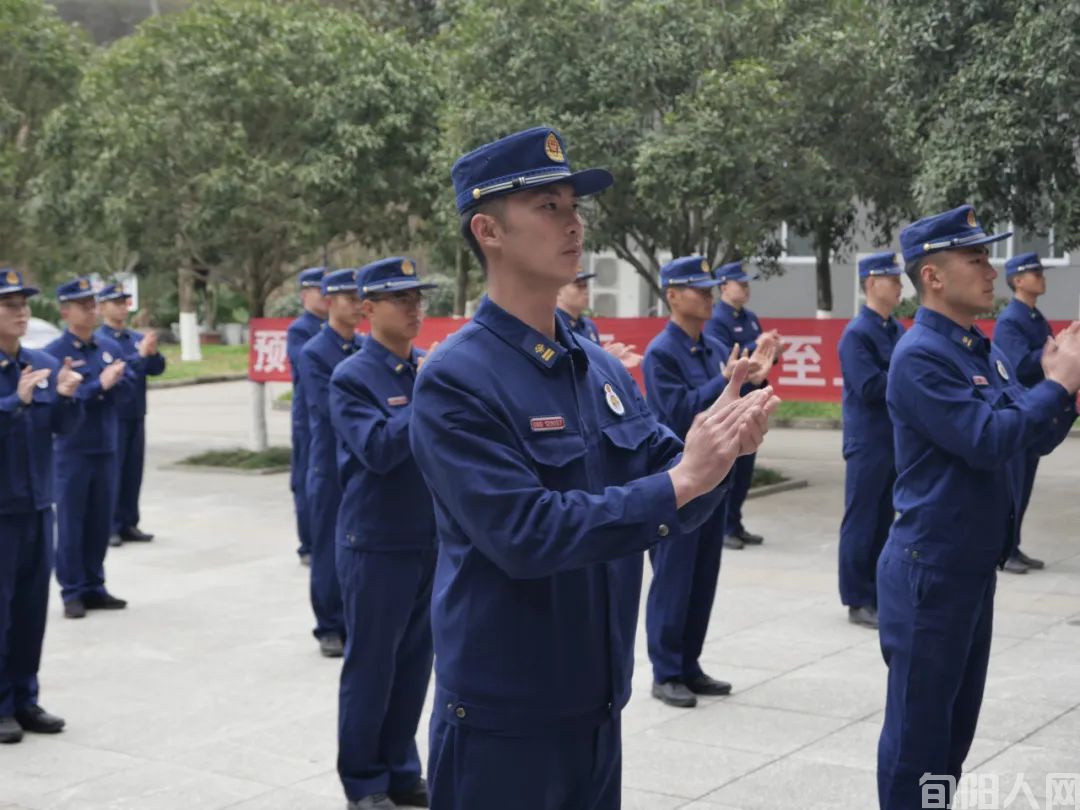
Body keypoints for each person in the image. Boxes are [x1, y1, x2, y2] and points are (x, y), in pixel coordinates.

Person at [410, 126, 778, 809]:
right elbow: (526, 534)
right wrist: (684, 478)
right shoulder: (456, 379)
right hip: (504, 719)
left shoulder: (599, 367)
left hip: (596, 703)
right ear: (488, 229)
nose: (574, 222)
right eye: (548, 206)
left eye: (574, 205)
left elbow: (672, 483)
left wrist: (720, 454)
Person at [877, 206, 1080, 810]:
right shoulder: (921, 356)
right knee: (919, 743)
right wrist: (1054, 386)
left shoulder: (975, 349)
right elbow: (987, 440)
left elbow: (1029, 436)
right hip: (929, 572)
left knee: (952, 739)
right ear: (933, 276)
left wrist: (1062, 391)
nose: (991, 270)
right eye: (976, 258)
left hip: (966, 568)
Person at [330, 257, 438, 810]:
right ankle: (364, 780)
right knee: (373, 666)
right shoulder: (353, 376)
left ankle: (401, 768)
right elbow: (377, 450)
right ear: (368, 309)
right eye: (402, 298)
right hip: (375, 543)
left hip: (427, 539)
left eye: (418, 297)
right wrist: (429, 397)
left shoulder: (422, 369)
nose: (414, 307)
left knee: (414, 666)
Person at [643, 255, 772, 708]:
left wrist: (753, 382)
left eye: (709, 288)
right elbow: (679, 413)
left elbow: (731, 403)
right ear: (673, 296)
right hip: (678, 481)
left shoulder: (714, 349)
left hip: (713, 481)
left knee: (702, 577)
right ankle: (666, 671)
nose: (708, 296)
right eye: (697, 289)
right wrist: (721, 384)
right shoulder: (662, 352)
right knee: (674, 577)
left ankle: (689, 663)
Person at [0, 269, 83, 743]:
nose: (21, 311)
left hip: (37, 506)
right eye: (9, 304)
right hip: (1, 513)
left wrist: (68, 397)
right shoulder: (21, 377)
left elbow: (61, 427)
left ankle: (25, 698)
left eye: (24, 303)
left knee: (31, 610)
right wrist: (14, 401)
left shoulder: (38, 361)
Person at [45, 277, 133, 620]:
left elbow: (125, 392)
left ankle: (95, 585)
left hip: (106, 446)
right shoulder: (54, 355)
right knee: (71, 522)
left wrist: (115, 383)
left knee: (99, 521)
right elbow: (60, 399)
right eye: (83, 305)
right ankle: (73, 590)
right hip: (73, 449)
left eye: (92, 303)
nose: (91, 310)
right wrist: (100, 385)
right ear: (66, 311)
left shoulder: (108, 348)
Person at [836, 252, 905, 629]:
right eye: (891, 279)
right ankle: (856, 597)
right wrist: (907, 374)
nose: (898, 285)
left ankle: (877, 593)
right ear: (870, 283)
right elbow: (869, 386)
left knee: (884, 521)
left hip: (893, 439)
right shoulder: (857, 333)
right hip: (868, 440)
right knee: (861, 521)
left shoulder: (895, 329)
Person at [298, 268, 361, 658]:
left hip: (360, 462)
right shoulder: (315, 352)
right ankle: (329, 625)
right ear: (329, 300)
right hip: (328, 462)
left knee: (357, 549)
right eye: (349, 298)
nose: (357, 305)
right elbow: (331, 407)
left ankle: (352, 619)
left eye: (360, 298)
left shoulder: (362, 347)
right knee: (327, 548)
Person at [706, 262, 783, 550]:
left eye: (747, 283)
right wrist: (756, 342)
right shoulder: (717, 320)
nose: (746, 288)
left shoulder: (749, 317)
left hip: (753, 400)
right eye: (740, 283)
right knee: (730, 469)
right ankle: (725, 526)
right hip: (733, 402)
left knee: (746, 470)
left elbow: (760, 358)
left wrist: (772, 351)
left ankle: (736, 523)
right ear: (724, 286)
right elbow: (727, 358)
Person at [993, 252, 1052, 574]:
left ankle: (1013, 545)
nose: (1042, 277)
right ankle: (1005, 550)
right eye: (1036, 273)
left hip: (1035, 410)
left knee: (1024, 483)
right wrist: (1051, 352)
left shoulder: (1032, 316)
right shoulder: (1011, 319)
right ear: (1018, 280)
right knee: (1014, 484)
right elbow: (1014, 365)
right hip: (1019, 409)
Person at [95, 284, 166, 547]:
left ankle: (129, 522)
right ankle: (110, 525)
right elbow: (121, 371)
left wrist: (153, 353)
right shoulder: (100, 341)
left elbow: (156, 368)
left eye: (125, 302)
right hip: (114, 414)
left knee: (132, 472)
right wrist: (140, 355)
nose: (122, 307)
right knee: (112, 471)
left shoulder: (135, 338)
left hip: (136, 412)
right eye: (116, 302)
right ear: (102, 307)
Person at [286, 267, 328, 567]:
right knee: (306, 481)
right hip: (307, 417)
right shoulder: (301, 330)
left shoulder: (334, 330)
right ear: (304, 295)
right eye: (319, 290)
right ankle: (308, 544)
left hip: (324, 418)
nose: (326, 297)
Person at [556, 269, 641, 369]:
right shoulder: (551, 325)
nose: (586, 291)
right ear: (558, 292)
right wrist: (604, 357)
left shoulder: (588, 325)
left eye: (586, 286)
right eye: (579, 286)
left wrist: (607, 356)